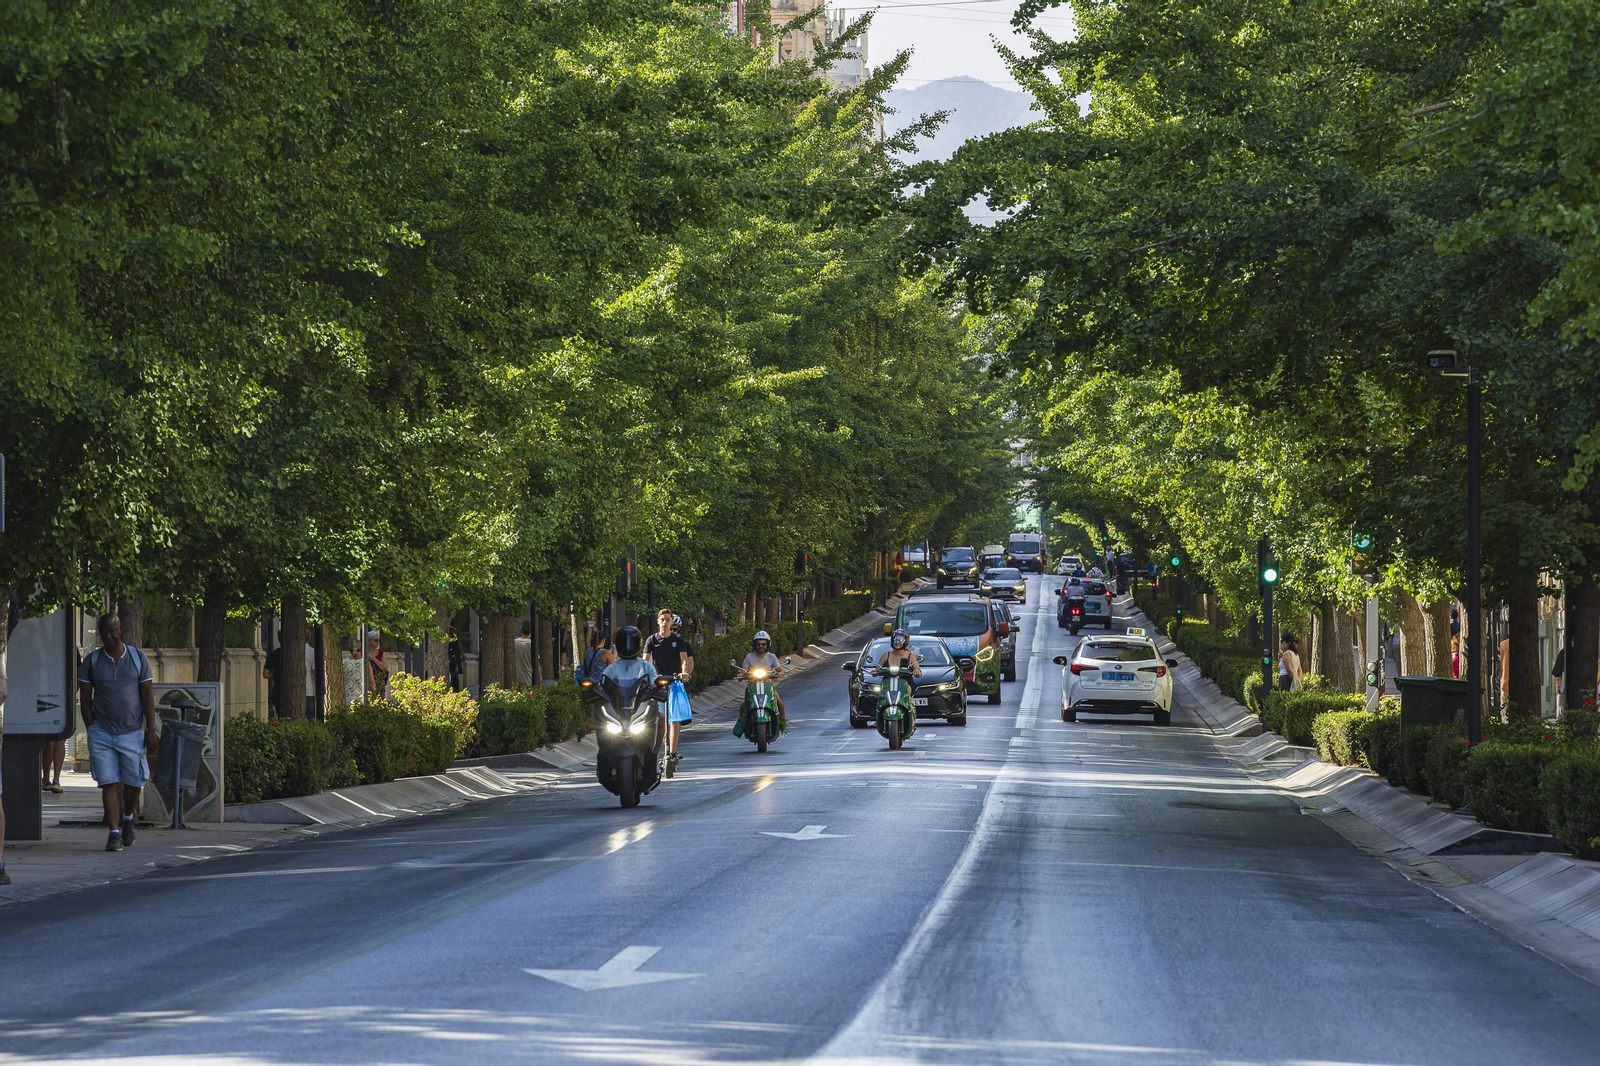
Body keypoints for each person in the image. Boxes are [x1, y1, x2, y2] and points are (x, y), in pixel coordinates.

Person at [77, 612, 157, 853]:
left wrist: (150, 729)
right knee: (109, 781)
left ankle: (128, 817)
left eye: (113, 631)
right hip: (102, 731)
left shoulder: (137, 658)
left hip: (132, 731)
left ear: (121, 629)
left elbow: (147, 695)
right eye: (105, 632)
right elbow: (85, 699)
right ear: (100, 635)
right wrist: (91, 727)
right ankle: (113, 833)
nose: (109, 636)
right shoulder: (91, 661)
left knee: (134, 781)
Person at [644, 609, 695, 773]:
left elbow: (684, 660)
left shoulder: (678, 639)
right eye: (662, 619)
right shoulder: (651, 640)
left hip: (674, 682)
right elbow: (646, 662)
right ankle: (654, 752)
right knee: (657, 718)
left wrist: (684, 673)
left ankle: (672, 753)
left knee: (674, 718)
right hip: (657, 683)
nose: (665, 622)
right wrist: (647, 677)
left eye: (668, 619)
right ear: (658, 621)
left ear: (671, 622)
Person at [740, 630, 786, 719]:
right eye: (758, 644)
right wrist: (741, 675)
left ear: (768, 645)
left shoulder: (772, 656)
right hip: (752, 686)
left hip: (768, 685)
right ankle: (741, 723)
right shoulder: (749, 657)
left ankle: (781, 723)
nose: (761, 646)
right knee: (745, 705)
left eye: (764, 644)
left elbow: (780, 669)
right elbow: (743, 670)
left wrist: (780, 673)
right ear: (754, 645)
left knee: (780, 704)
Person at [365, 632, 390, 699]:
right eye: (375, 640)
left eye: (379, 640)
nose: (377, 642)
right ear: (369, 641)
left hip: (379, 683)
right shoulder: (363, 653)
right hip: (367, 683)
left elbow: (385, 668)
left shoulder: (381, 653)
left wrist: (373, 659)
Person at [514, 620, 535, 686]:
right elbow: (537, 664)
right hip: (528, 677)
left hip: (516, 676)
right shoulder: (531, 644)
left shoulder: (514, 642)